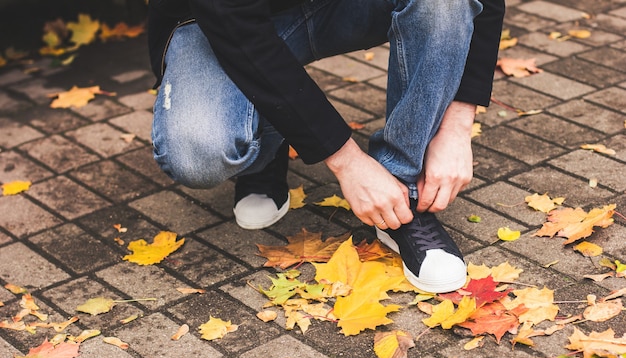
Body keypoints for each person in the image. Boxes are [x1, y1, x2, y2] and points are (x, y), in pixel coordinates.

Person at [148, 0, 505, 294]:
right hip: (215, 23)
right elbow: (239, 32)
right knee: (196, 153)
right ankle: (265, 149)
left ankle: (401, 196)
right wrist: (348, 163)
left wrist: (457, 124)